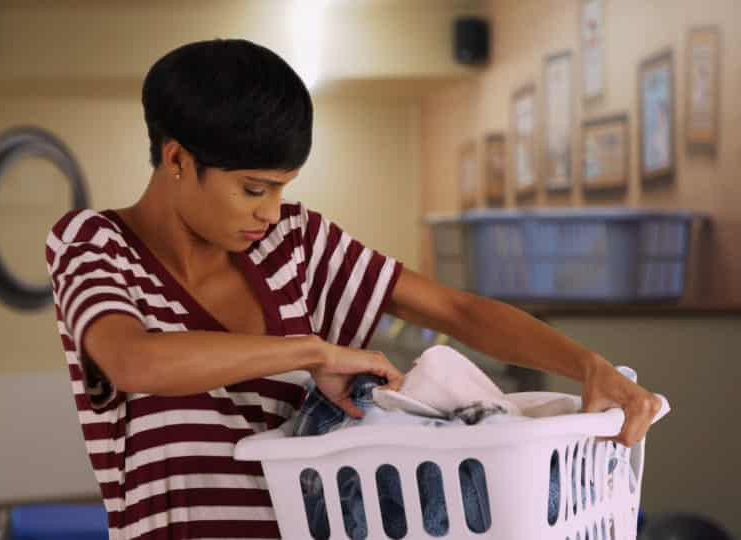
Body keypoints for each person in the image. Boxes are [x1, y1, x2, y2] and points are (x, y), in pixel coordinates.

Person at [44, 38, 662, 540]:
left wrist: (588, 365)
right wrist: (312, 351)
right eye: (254, 189)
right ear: (177, 159)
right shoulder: (94, 244)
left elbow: (454, 308)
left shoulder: (293, 244)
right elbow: (134, 361)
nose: (270, 211)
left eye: (282, 189)